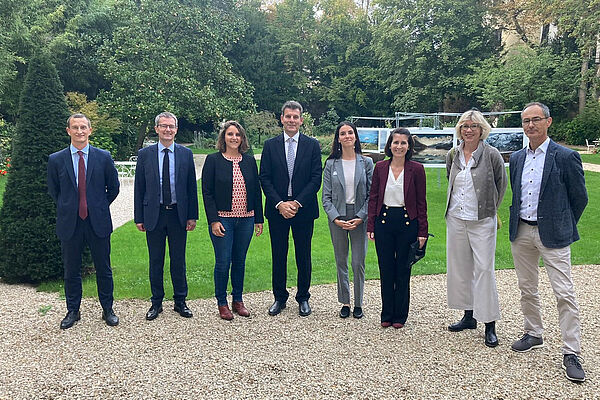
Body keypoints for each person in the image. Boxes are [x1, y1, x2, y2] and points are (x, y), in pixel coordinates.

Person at [509, 102, 588, 382]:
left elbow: (580, 198)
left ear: (548, 122)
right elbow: (516, 193)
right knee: (527, 288)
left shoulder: (565, 156)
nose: (530, 125)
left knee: (564, 293)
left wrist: (562, 223)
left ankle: (571, 351)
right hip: (522, 232)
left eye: (536, 120)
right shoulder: (517, 158)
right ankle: (533, 332)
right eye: (526, 121)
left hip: (553, 234)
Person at [47, 113, 120, 329]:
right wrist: (71, 206)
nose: (79, 131)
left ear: (90, 130)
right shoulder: (56, 159)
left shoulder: (103, 157)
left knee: (104, 268)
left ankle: (107, 309)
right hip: (71, 222)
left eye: (83, 127)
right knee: (71, 269)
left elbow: (113, 188)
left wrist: (97, 205)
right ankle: (72, 310)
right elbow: (54, 190)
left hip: (97, 221)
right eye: (75, 127)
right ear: (68, 131)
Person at [444, 109, 507, 347]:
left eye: (473, 126)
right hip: (457, 218)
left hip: (482, 220)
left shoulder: (491, 155)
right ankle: (468, 316)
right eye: (464, 126)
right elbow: (452, 181)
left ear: (482, 129)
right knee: (461, 269)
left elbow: (501, 185)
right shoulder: (453, 154)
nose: (468, 130)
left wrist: (490, 209)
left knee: (484, 270)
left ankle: (489, 323)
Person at [259, 101, 322, 317]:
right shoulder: (270, 145)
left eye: (296, 117)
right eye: (288, 116)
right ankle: (279, 297)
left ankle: (303, 297)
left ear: (301, 120)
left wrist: (296, 203)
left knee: (303, 255)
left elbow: (316, 178)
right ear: (282, 118)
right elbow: (264, 178)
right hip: (277, 209)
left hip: (303, 209)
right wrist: (280, 204)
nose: (292, 120)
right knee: (279, 254)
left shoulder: (312, 145)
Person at [134, 112, 198, 321]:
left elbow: (191, 187)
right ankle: (156, 302)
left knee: (178, 260)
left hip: (178, 214)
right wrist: (139, 217)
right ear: (157, 129)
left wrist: (192, 216)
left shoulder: (185, 154)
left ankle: (180, 301)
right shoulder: (145, 154)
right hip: (155, 214)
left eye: (171, 126)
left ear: (176, 129)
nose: (168, 130)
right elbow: (139, 188)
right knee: (156, 260)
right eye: (164, 126)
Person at [202, 121, 264, 320]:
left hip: (246, 219)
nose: (234, 138)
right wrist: (213, 220)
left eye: (238, 134)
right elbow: (207, 193)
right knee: (223, 262)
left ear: (242, 138)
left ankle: (238, 300)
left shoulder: (248, 161)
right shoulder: (213, 160)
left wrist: (259, 219)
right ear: (223, 137)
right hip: (223, 220)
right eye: (230, 134)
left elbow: (256, 190)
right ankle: (222, 303)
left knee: (239, 261)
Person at [367, 128, 428, 328]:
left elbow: (421, 202)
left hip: (407, 223)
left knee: (403, 270)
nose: (399, 146)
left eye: (403, 143)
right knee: (386, 269)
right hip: (383, 222)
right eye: (396, 142)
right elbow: (374, 196)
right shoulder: (380, 167)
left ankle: (400, 316)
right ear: (390, 145)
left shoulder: (416, 169)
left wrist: (422, 231)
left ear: (409, 146)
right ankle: (387, 313)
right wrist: (371, 224)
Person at [322, 121, 373, 319]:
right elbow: (325, 197)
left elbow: (372, 194)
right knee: (341, 261)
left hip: (360, 216)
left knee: (358, 261)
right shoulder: (331, 164)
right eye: (342, 133)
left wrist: (361, 217)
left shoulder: (366, 163)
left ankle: (359, 302)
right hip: (338, 217)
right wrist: (335, 218)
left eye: (350, 132)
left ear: (355, 136)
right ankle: (345, 301)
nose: (347, 136)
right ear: (338, 138)